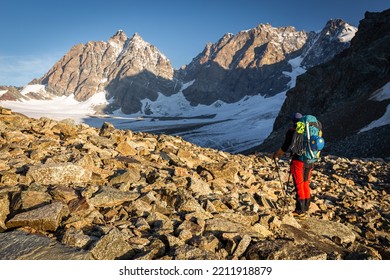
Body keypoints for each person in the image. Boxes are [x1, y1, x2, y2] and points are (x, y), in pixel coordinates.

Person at [272, 112, 313, 219]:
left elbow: (285, 147)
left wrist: (276, 155)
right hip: (310, 160)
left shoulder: (292, 132)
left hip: (298, 161)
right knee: (305, 183)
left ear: (293, 122)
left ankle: (300, 211)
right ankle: (306, 208)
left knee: (299, 184)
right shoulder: (309, 131)